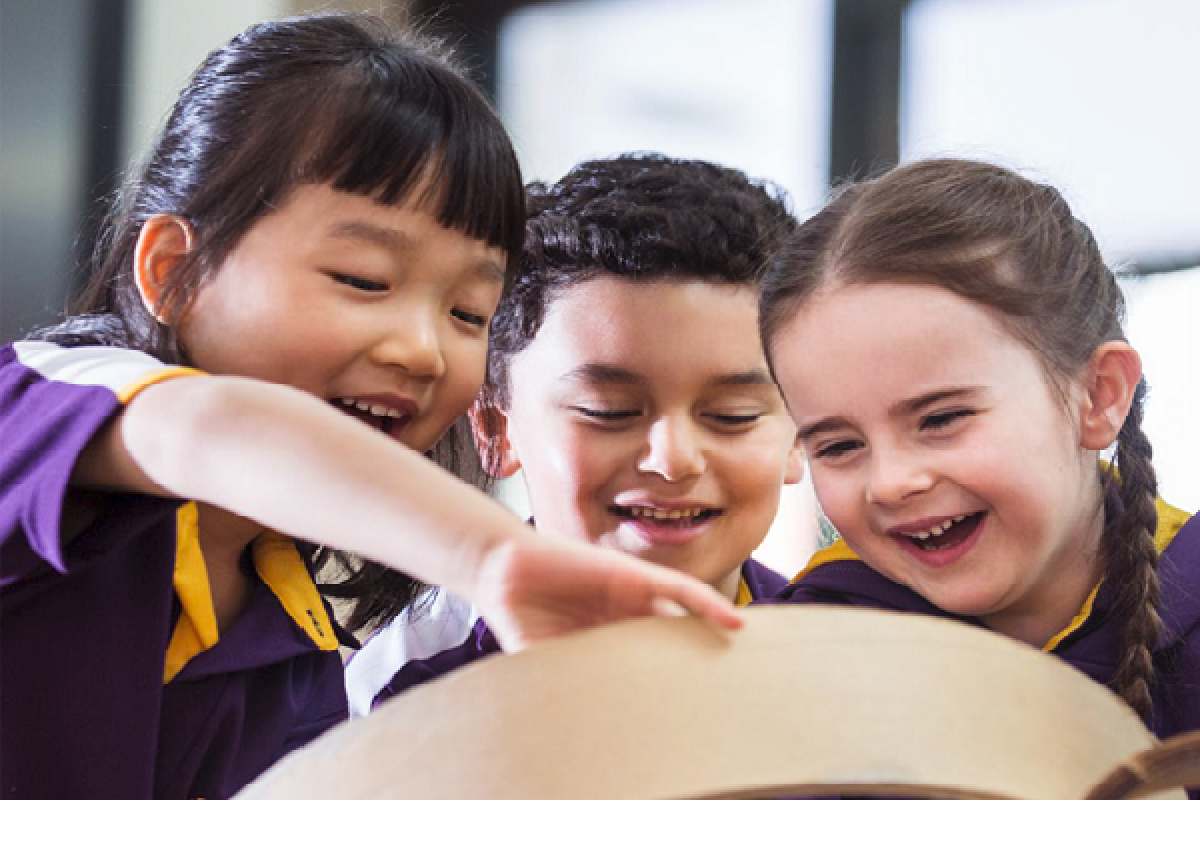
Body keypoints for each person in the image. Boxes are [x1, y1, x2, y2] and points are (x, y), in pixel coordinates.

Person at [0, 15, 740, 800]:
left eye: (467, 314)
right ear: (175, 271)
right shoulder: (48, 395)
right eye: (363, 279)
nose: (421, 350)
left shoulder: (301, 646)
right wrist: (488, 555)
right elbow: (211, 428)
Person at [759, 157, 1199, 740]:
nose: (891, 481)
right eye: (839, 445)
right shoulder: (801, 657)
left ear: (1098, 395)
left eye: (941, 418)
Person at [347, 154, 803, 712]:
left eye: (732, 415)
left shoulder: (848, 661)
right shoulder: (404, 693)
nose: (673, 459)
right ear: (495, 427)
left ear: (800, 433)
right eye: (608, 411)